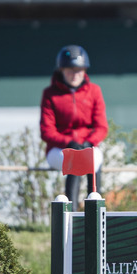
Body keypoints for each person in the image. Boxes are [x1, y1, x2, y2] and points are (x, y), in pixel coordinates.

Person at [40, 44, 107, 206]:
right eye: (70, 70)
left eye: (79, 70)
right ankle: (72, 214)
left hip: (87, 146)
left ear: (84, 71)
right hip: (58, 150)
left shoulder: (94, 91)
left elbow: (101, 126)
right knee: (75, 159)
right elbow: (47, 131)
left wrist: (89, 142)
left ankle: (95, 210)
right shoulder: (50, 94)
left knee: (93, 158)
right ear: (61, 70)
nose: (74, 74)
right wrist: (69, 143)